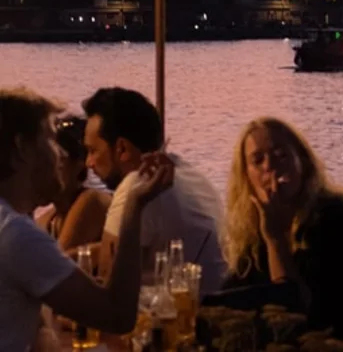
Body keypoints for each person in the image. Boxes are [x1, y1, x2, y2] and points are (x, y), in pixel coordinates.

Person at [1, 87, 174, 352]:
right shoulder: (15, 235)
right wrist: (133, 208)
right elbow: (118, 316)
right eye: (50, 139)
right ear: (21, 147)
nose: (60, 155)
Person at [216, 118, 343, 346]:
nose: (269, 166)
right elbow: (231, 297)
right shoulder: (255, 229)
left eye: (282, 156)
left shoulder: (337, 220)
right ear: (245, 176)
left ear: (303, 163)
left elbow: (298, 315)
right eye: (257, 160)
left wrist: (275, 239)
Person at [83, 87, 226, 295]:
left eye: (92, 151)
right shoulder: (190, 174)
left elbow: (108, 285)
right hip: (216, 302)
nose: (88, 163)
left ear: (121, 149)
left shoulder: (136, 185)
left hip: (180, 317)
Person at [35, 116, 112, 252]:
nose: (41, 171)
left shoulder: (92, 200)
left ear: (78, 166)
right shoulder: (49, 219)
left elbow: (55, 265)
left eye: (55, 162)